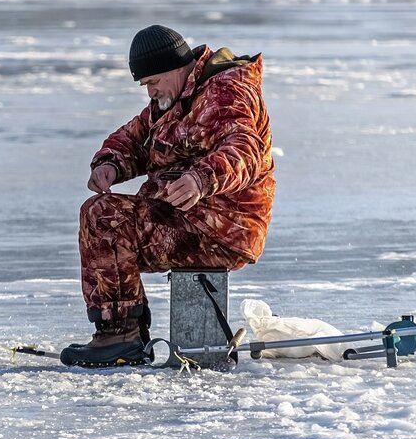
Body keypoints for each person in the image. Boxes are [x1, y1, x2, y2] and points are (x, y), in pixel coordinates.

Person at [61, 25, 276, 367]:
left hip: (221, 225)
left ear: (176, 68)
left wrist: (200, 179)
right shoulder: (175, 98)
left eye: (152, 81)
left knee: (105, 216)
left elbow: (246, 150)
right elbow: (135, 137)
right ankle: (120, 331)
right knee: (100, 211)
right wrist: (109, 164)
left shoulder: (226, 93)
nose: (150, 91)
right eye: (145, 84)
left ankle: (121, 335)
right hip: (184, 218)